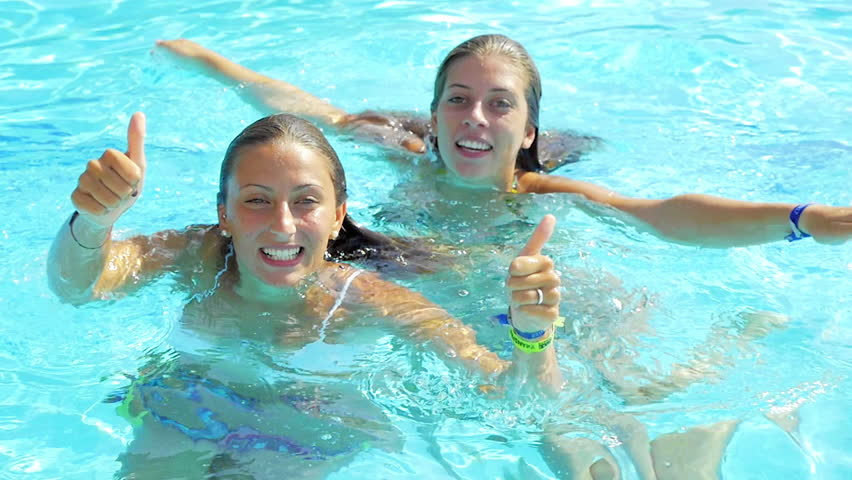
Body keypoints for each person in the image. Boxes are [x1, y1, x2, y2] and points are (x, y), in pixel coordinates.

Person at [48, 112, 565, 477]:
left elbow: (515, 398)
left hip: (307, 430)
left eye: (306, 202)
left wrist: (532, 335)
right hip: (183, 407)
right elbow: (77, 286)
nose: (282, 225)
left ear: (339, 214)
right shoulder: (197, 254)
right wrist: (96, 220)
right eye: (256, 200)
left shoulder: (372, 301)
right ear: (223, 212)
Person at [155, 35, 852, 248]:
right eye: (457, 102)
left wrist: (801, 219)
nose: (476, 119)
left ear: (527, 133)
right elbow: (313, 113)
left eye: (499, 105)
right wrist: (216, 65)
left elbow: (660, 213)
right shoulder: (403, 153)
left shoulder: (542, 191)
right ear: (434, 119)